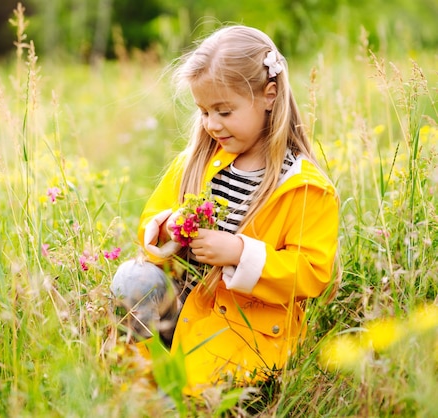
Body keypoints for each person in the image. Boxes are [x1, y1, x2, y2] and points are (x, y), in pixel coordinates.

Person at [111, 25, 339, 397]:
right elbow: (149, 226)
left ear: (269, 96)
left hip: (244, 334)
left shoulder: (304, 187)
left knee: (196, 399)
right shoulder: (197, 162)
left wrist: (239, 253)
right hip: (187, 311)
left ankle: (182, 394)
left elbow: (312, 273)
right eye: (203, 111)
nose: (211, 124)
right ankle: (140, 380)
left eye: (224, 111)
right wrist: (168, 231)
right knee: (133, 277)